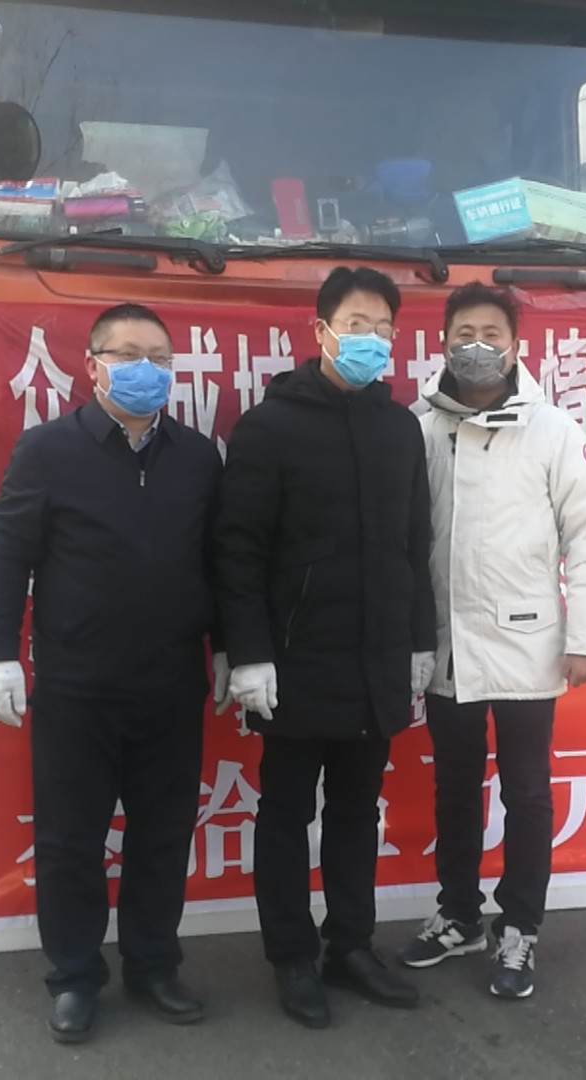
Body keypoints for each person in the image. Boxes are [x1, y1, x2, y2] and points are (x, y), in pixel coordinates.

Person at [0, 304, 226, 1044]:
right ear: (92, 366)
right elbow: (9, 555)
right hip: (77, 687)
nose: (145, 368)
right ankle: (75, 978)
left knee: (162, 836)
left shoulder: (198, 457)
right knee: (70, 842)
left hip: (172, 684)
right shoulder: (48, 450)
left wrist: (229, 646)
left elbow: (219, 561)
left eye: (159, 357)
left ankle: (152, 967)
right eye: (127, 354)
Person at [215, 266, 437, 1029]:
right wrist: (248, 652)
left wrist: (419, 642)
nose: (370, 339)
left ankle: (350, 946)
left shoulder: (399, 429)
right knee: (284, 813)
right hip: (294, 662)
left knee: (355, 811)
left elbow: (414, 546)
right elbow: (237, 549)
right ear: (321, 332)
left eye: (383, 328)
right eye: (355, 325)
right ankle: (291, 956)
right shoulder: (269, 427)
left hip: (376, 661)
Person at [398, 285, 586, 1000]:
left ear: (516, 346)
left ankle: (520, 927)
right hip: (447, 645)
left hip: (528, 644)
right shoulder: (419, 427)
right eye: (464, 332)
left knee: (526, 790)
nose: (477, 345)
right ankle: (459, 915)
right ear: (443, 342)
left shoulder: (553, 430)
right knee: (454, 786)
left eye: (492, 333)